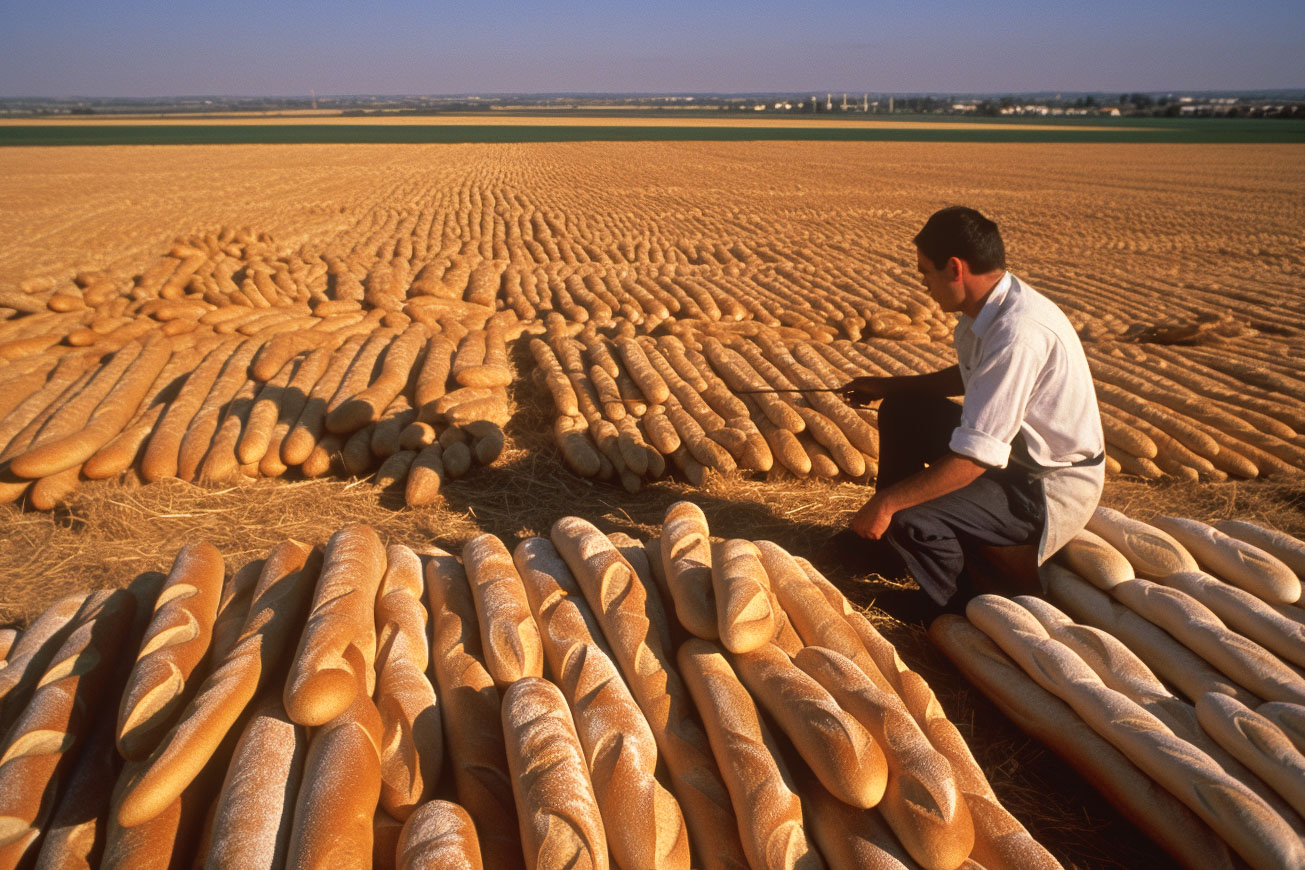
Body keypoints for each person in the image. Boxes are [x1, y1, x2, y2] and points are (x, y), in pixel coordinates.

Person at [840, 206, 1104, 621]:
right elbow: (971, 377)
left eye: (925, 273)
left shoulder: (1019, 333)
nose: (924, 285)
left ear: (954, 268)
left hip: (1043, 486)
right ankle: (886, 549)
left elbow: (976, 457)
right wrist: (889, 386)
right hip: (1013, 459)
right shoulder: (989, 307)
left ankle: (954, 607)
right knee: (904, 411)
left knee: (912, 518)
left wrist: (889, 504)